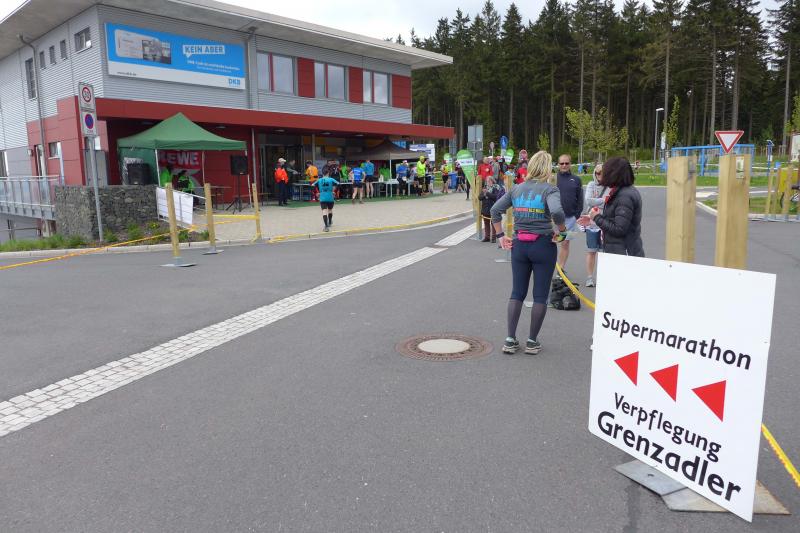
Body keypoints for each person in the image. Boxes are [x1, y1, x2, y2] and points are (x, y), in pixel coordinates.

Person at [490, 150, 567, 355]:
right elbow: (557, 212)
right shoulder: (550, 190)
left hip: (519, 245)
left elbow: (495, 210)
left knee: (517, 292)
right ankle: (532, 341)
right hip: (543, 245)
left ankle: (510, 339)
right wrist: (562, 232)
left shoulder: (517, 189)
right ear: (547, 168)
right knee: (540, 295)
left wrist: (500, 236)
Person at [579, 157, 645, 257]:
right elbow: (615, 219)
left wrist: (597, 217)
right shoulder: (621, 191)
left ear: (614, 174)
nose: (604, 175)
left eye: (606, 172)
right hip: (618, 250)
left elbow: (619, 229)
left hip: (624, 253)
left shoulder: (624, 196)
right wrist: (593, 219)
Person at [582, 164, 609, 287]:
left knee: (604, 252)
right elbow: (588, 200)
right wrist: (603, 200)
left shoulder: (610, 186)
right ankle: (589, 278)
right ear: (595, 173)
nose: (600, 175)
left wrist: (597, 201)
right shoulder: (591, 185)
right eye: (598, 173)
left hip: (605, 223)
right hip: (592, 223)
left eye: (603, 173)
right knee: (591, 250)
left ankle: (604, 277)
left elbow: (609, 202)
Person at [555, 154, 584, 267]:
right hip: (554, 219)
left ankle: (560, 270)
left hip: (569, 219)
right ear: (558, 164)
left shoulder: (576, 179)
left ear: (570, 164)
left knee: (565, 243)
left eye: (566, 163)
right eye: (562, 163)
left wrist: (576, 215)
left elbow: (580, 198)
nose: (564, 165)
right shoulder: (552, 179)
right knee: (552, 243)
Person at [315, 166, 339, 232]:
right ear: (328, 173)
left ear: (322, 173)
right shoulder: (331, 179)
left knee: (324, 211)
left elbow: (312, 185)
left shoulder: (319, 180)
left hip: (322, 197)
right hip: (330, 197)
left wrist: (317, 193)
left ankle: (326, 226)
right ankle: (330, 221)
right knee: (330, 210)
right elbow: (338, 184)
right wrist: (334, 191)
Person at [479, 176, 502, 242]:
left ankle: (493, 237)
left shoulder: (495, 188)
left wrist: (487, 193)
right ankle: (487, 237)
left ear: (492, 181)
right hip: (485, 209)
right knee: (486, 223)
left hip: (492, 208)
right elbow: (479, 197)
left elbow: (496, 197)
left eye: (489, 181)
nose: (487, 182)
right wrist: (484, 194)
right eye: (487, 181)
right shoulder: (485, 188)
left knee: (493, 223)